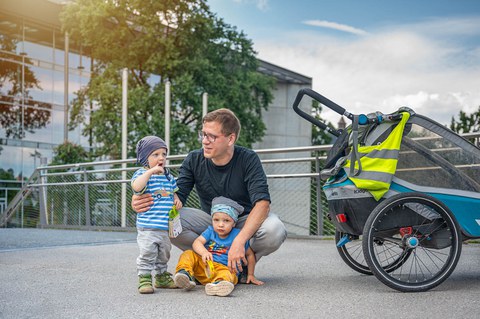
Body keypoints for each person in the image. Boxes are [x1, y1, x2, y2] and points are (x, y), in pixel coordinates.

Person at [132, 108, 287, 279]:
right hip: (212, 222)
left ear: (231, 139)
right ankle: (207, 262)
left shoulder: (248, 159)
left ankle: (240, 264)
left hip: (243, 221)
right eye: (203, 134)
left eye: (212, 136)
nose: (205, 141)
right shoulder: (194, 159)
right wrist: (140, 196)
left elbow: (263, 203)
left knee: (275, 229)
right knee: (169, 218)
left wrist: (239, 241)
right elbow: (175, 195)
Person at [174, 196, 264, 297]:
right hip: (206, 266)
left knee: (227, 274)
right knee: (188, 254)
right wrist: (204, 252)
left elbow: (250, 255)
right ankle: (185, 274)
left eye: (226, 221)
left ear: (234, 223)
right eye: (216, 220)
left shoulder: (238, 235)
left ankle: (218, 285)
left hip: (226, 268)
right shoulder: (211, 231)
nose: (220, 224)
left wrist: (251, 274)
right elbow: (197, 242)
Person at [131, 135, 183, 294]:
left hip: (165, 227)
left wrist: (177, 200)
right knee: (147, 252)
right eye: (155, 155)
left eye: (164, 154)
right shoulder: (142, 174)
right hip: (148, 227)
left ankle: (161, 277)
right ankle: (144, 278)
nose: (161, 158)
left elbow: (173, 193)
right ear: (145, 158)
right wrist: (151, 171)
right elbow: (136, 186)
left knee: (164, 253)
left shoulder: (168, 177)